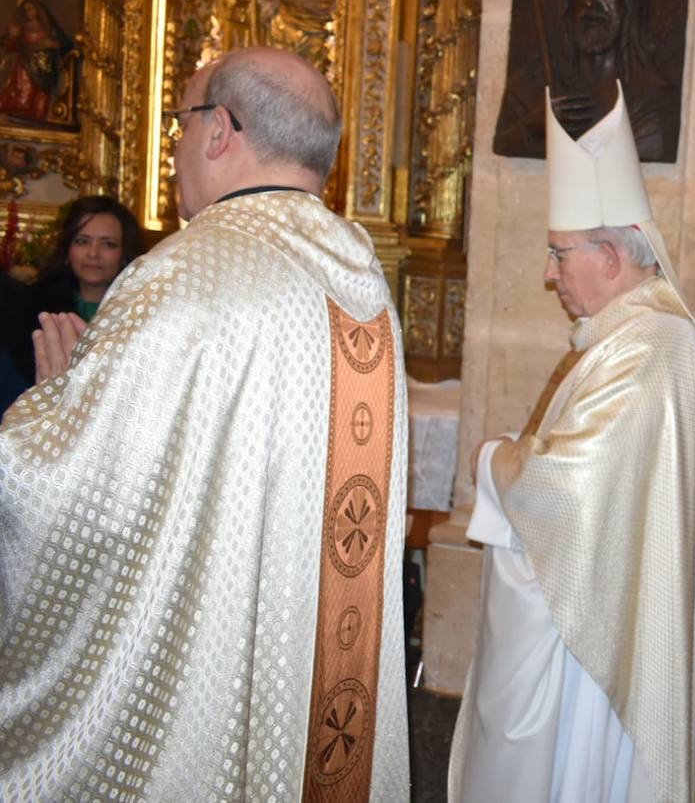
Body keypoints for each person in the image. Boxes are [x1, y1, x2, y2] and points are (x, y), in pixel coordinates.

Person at [0, 46, 409, 800]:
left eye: (181, 123)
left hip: (203, 667)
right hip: (307, 650)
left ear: (220, 129)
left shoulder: (186, 271)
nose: (178, 147)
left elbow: (68, 494)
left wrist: (53, 407)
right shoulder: (359, 269)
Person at [448, 82, 695, 802]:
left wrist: (494, 461)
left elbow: (570, 491)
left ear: (612, 257)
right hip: (596, 602)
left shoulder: (651, 346)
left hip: (601, 636)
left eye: (560, 255)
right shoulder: (631, 334)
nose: (549, 274)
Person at [493, 0, 679, 162]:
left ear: (630, 3)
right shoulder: (529, 86)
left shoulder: (650, 97)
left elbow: (648, 147)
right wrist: (533, 125)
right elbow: (502, 142)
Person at [0, 194, 144, 415]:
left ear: (124, 254)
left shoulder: (142, 313)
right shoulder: (31, 310)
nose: (93, 254)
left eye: (108, 244)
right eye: (82, 241)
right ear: (67, 250)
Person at [0, 0, 72, 124]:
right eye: (26, 10)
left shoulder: (49, 29)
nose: (29, 13)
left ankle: (37, 117)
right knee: (23, 96)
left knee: (40, 98)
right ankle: (19, 115)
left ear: (38, 10)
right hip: (25, 68)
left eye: (31, 9)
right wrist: (12, 37)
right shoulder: (21, 29)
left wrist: (53, 45)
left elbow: (63, 44)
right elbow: (8, 46)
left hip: (44, 69)